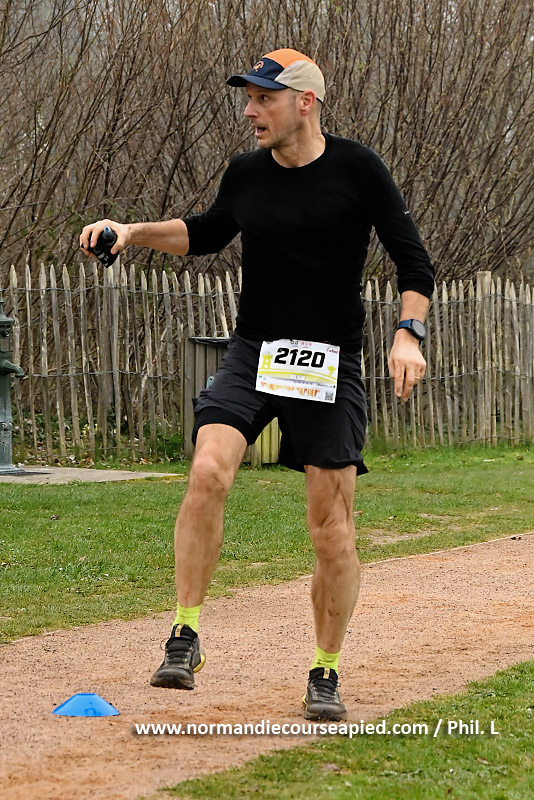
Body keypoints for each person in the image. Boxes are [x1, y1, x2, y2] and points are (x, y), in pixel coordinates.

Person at [80, 48, 434, 721]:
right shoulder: (246, 173)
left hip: (329, 362)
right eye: (247, 98)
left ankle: (325, 668)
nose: (249, 111)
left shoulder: (359, 170)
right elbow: (205, 233)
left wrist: (407, 334)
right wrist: (130, 231)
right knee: (207, 469)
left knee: (332, 529)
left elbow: (414, 265)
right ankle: (185, 633)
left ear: (305, 102)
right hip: (255, 353)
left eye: (263, 98)